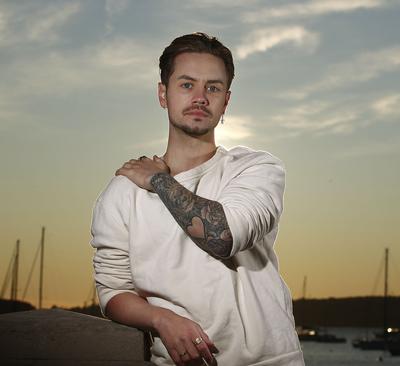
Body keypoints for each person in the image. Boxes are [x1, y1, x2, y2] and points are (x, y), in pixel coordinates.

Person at [90, 32, 304, 366]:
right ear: (163, 94)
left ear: (226, 100)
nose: (201, 97)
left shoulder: (257, 168)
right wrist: (160, 319)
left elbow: (223, 237)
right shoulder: (122, 192)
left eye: (213, 87)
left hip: (270, 360)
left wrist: (159, 181)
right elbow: (113, 292)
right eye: (187, 85)